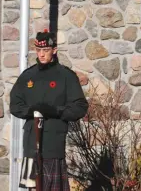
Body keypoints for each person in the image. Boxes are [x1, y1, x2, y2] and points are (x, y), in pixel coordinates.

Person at [10, 29, 89, 190]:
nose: (41, 54)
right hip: (31, 143)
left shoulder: (66, 76)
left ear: (54, 50)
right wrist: (31, 111)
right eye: (38, 50)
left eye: (45, 50)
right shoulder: (27, 76)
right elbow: (15, 105)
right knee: (31, 188)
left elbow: (80, 107)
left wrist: (56, 111)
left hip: (52, 144)